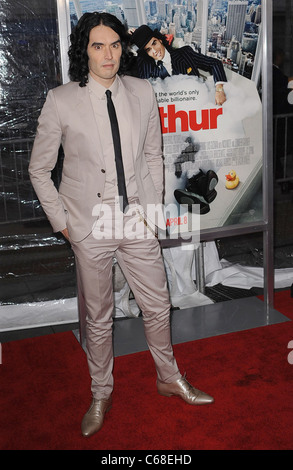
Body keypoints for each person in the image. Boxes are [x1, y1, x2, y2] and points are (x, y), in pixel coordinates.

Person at [29, 12, 214, 439]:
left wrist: (151, 211)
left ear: (123, 48)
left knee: (157, 303)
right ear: (84, 50)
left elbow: (154, 155)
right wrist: (64, 225)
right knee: (98, 317)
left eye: (114, 44)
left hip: (136, 220)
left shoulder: (141, 91)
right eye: (98, 45)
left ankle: (168, 378)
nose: (108, 54)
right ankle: (100, 393)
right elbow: (39, 170)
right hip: (88, 224)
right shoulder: (60, 100)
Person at [129, 24, 227, 105]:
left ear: (160, 40)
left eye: (154, 43)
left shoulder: (185, 54)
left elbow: (215, 63)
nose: (155, 51)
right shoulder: (144, 67)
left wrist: (219, 90)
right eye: (148, 49)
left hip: (197, 107)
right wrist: (127, 38)